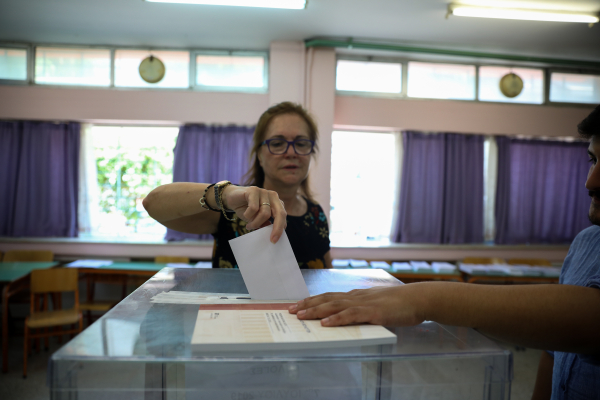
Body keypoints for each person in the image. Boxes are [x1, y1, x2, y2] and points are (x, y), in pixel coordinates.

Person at [289, 104, 600, 400]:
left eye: (301, 143)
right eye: (592, 160)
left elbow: (588, 319)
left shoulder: (314, 213)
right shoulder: (586, 242)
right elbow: (555, 347)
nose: (590, 181)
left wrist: (422, 298)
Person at [143, 101, 332, 270]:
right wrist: (224, 194)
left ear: (311, 152)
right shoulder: (234, 206)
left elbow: (325, 278)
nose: (291, 153)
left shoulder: (316, 215)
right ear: (259, 154)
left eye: (301, 143)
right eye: (277, 143)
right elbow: (152, 203)